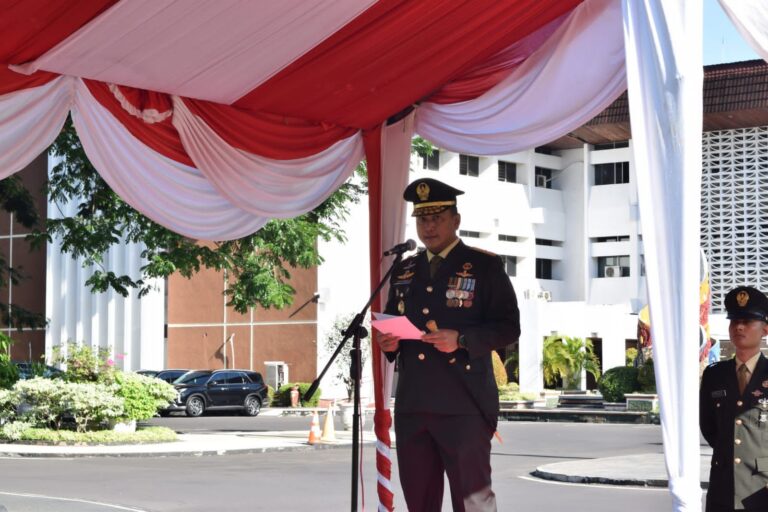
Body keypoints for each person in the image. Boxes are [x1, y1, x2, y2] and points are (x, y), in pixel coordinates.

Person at [377, 177, 520, 511]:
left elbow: (509, 327)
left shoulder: (484, 265)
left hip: (464, 403)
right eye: (422, 219)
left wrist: (463, 339)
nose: (428, 227)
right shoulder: (404, 269)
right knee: (420, 501)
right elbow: (392, 323)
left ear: (456, 220)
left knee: (472, 501)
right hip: (414, 404)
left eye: (437, 218)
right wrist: (388, 343)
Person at [700, 285, 768, 511]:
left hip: (762, 488)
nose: (739, 327)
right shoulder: (714, 375)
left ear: (765, 329)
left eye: (747, 321)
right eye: (734, 321)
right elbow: (709, 426)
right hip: (723, 489)